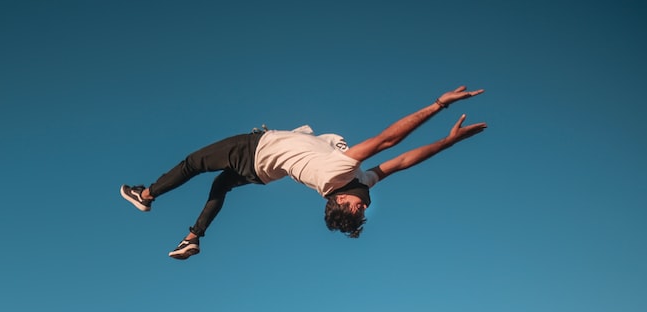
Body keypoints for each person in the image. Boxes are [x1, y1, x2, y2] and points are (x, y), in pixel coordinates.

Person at [121, 85, 487, 259]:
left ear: (339, 199)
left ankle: (147, 195)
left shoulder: (337, 173)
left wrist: (438, 105)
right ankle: (193, 237)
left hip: (252, 151)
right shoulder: (361, 180)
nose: (364, 207)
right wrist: (448, 143)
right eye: (362, 211)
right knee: (220, 186)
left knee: (191, 164)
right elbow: (404, 161)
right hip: (262, 173)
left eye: (356, 210)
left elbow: (388, 141)